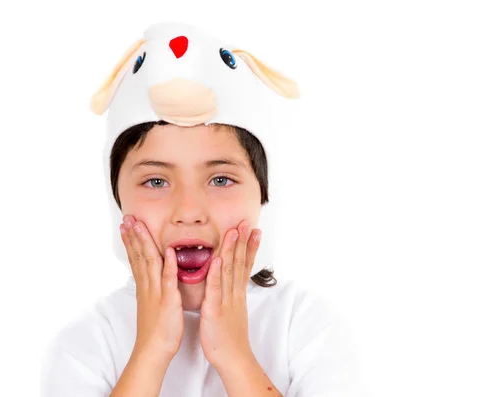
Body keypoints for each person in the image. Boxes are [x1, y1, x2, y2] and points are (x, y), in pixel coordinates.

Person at [41, 21, 363, 397]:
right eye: (156, 181)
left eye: (221, 180)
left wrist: (233, 354)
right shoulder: (86, 344)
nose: (190, 211)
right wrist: (151, 351)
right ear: (117, 202)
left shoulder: (308, 328)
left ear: (263, 195)